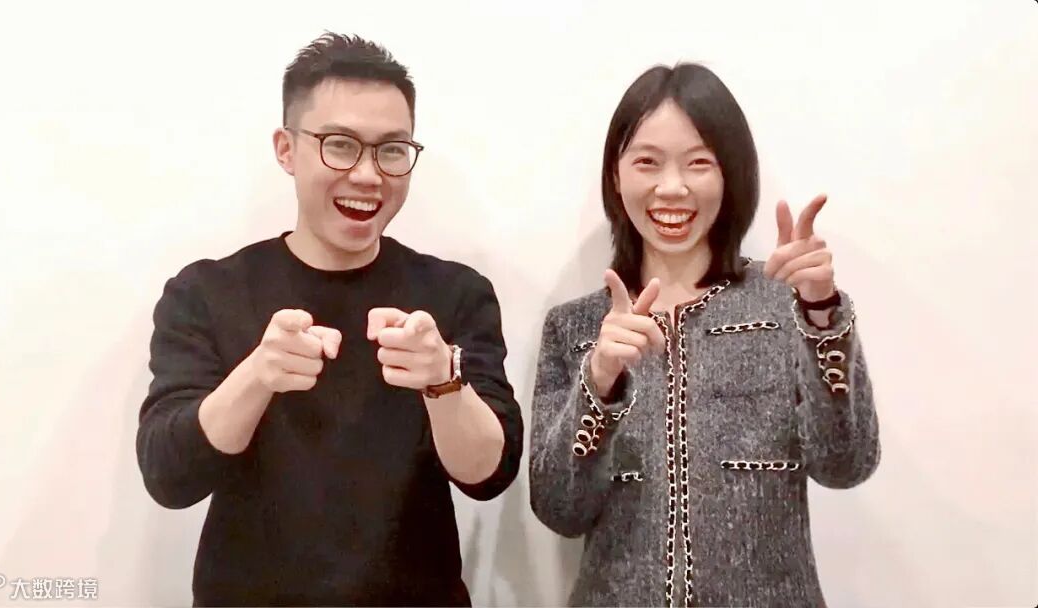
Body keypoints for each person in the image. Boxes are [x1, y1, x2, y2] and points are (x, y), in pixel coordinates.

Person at [136, 32, 522, 607]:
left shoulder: (454, 294)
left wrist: (443, 380)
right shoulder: (207, 292)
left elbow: (490, 473)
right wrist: (257, 376)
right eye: (339, 145)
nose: (368, 175)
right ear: (286, 149)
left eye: (392, 150)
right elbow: (169, 476)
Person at [529, 62, 879, 607]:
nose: (672, 188)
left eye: (699, 163)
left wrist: (820, 314)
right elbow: (559, 510)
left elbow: (845, 464)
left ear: (730, 174)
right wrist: (598, 383)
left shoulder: (789, 303)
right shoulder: (574, 327)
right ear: (616, 176)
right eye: (647, 162)